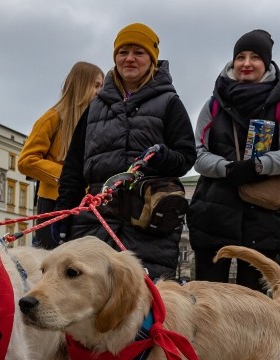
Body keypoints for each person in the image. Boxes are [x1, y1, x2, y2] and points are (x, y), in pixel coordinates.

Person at [55, 23, 196, 280]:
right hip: (97, 218)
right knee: (91, 299)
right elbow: (74, 167)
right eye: (123, 52)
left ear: (151, 59)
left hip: (148, 219)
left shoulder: (170, 103)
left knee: (145, 300)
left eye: (138, 52)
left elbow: (186, 157)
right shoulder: (95, 107)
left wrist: (163, 158)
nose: (129, 58)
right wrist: (64, 212)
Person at [187, 29, 280, 292]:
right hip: (214, 211)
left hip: (263, 216)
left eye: (255, 57)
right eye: (240, 56)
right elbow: (198, 153)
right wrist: (227, 169)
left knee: (254, 302)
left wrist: (257, 166)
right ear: (233, 62)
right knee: (209, 297)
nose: (246, 63)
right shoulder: (214, 105)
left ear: (267, 63)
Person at [18, 62, 104, 249]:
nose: (100, 91)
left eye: (102, 86)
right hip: (53, 202)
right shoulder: (52, 118)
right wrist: (67, 176)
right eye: (96, 85)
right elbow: (26, 161)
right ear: (81, 85)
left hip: (84, 204)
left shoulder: (95, 123)